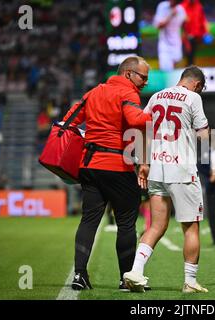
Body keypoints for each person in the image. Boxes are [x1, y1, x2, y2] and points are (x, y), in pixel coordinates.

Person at [62, 56, 152, 291]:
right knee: (125, 224)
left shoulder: (93, 92)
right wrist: (158, 114)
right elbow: (136, 120)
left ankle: (80, 275)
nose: (145, 82)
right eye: (143, 77)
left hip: (89, 166)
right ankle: (126, 279)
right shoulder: (128, 93)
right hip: (117, 166)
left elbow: (69, 121)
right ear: (128, 74)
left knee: (89, 220)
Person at [123, 66, 209, 293]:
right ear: (197, 85)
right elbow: (204, 134)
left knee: (156, 225)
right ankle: (190, 282)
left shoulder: (156, 96)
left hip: (157, 169)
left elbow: (145, 130)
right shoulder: (193, 98)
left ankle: (136, 271)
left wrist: (143, 163)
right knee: (190, 227)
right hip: (181, 170)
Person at [153, 0, 187, 71]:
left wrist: (185, 38)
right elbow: (158, 26)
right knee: (165, 70)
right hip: (164, 45)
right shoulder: (162, 6)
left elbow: (184, 24)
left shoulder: (181, 9)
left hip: (176, 44)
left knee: (176, 69)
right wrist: (170, 15)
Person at [181, 0, 209, 66]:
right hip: (186, 37)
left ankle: (191, 69)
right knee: (186, 56)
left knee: (192, 56)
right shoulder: (183, 6)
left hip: (196, 36)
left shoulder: (198, 5)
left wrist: (205, 32)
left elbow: (202, 20)